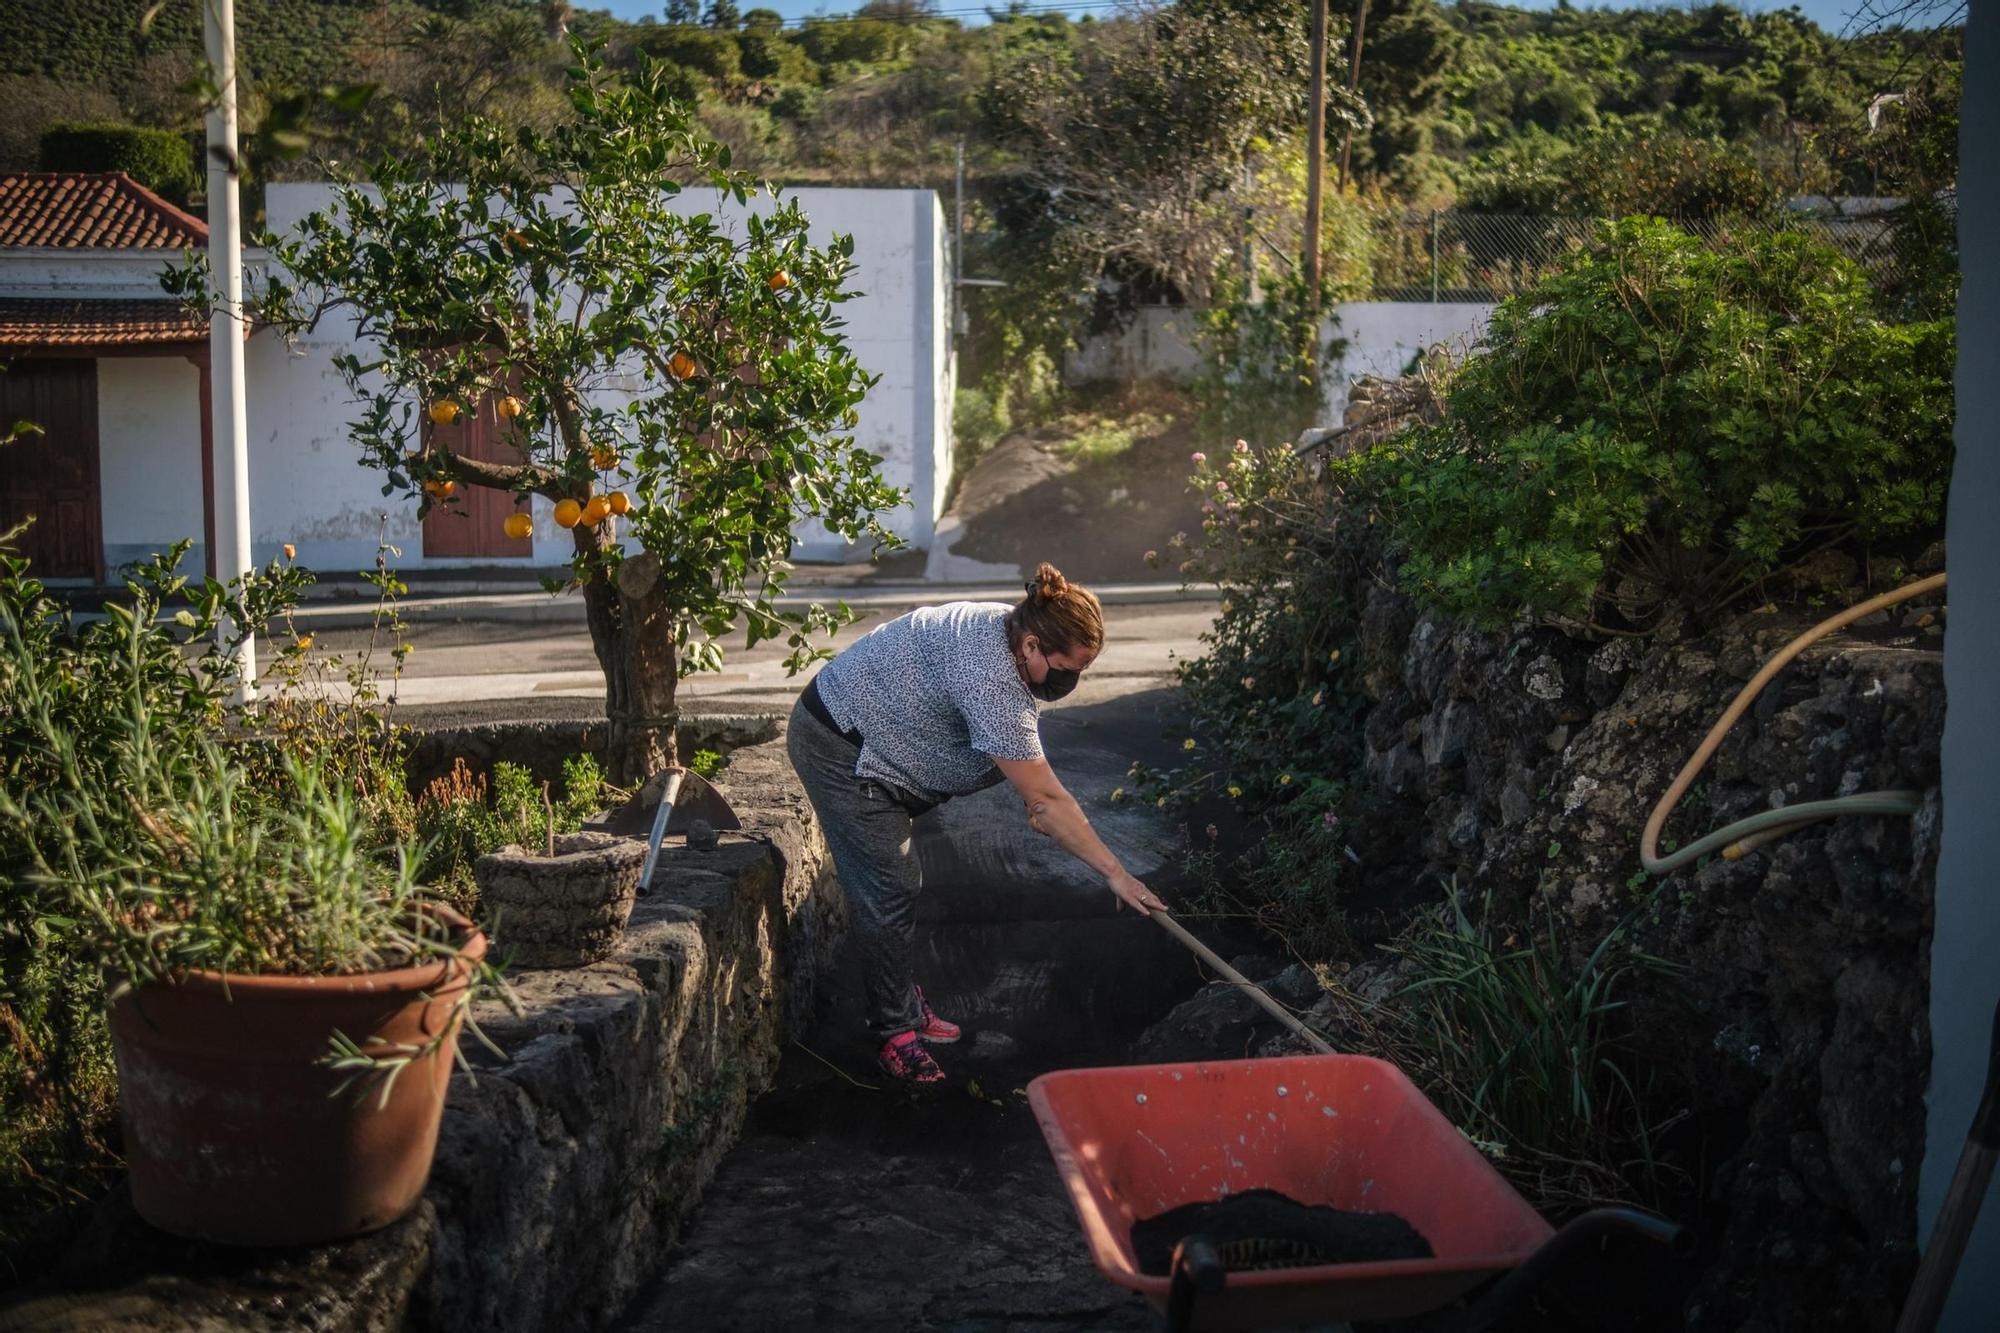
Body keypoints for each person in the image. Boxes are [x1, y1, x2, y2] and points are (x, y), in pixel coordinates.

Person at [787, 562, 1168, 1084]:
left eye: (1083, 668)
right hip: (840, 746)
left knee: (912, 873)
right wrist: (1114, 873)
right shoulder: (991, 680)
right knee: (892, 886)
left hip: (876, 729)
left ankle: (898, 996)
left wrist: (1037, 801)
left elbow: (1026, 775)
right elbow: (1049, 798)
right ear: (1032, 646)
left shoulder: (1008, 629)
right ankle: (894, 1032)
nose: (1071, 680)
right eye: (1067, 666)